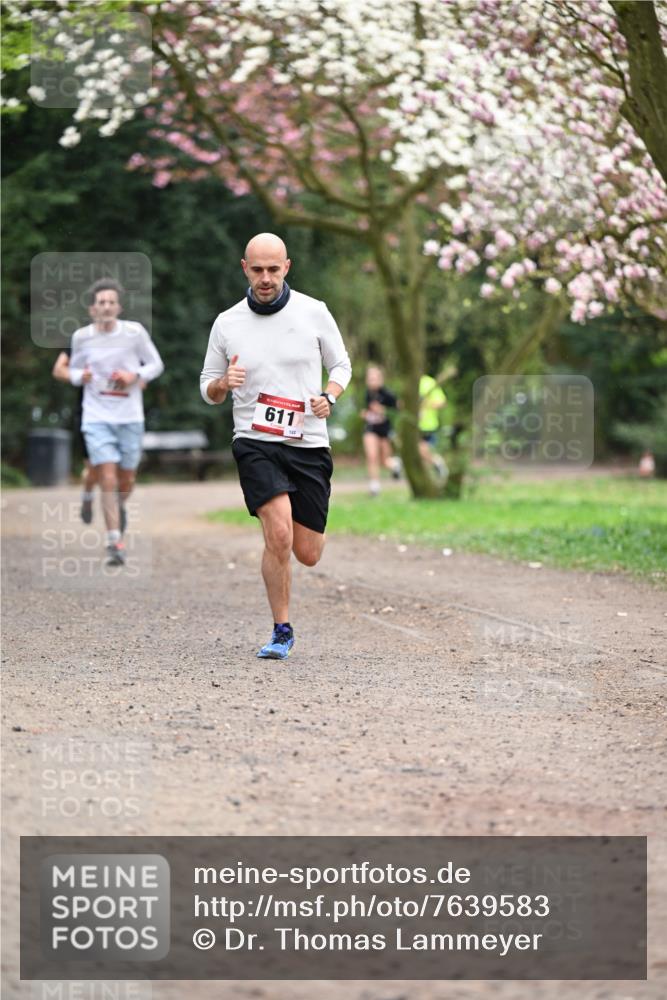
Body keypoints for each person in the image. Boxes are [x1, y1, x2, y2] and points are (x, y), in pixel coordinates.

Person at [200, 232, 352, 660]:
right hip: (254, 440)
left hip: (307, 442)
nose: (265, 278)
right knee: (279, 534)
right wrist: (220, 384)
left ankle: (296, 568)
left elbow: (340, 363)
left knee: (308, 553)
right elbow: (206, 385)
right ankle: (281, 629)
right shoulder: (227, 322)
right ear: (244, 269)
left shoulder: (313, 312)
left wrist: (331, 395)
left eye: (273, 269)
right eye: (257, 270)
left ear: (287, 267)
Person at [68, 279, 164, 565]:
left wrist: (134, 376)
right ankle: (115, 542)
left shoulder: (134, 333)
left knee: (126, 479)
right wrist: (80, 377)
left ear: (118, 307)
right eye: (101, 302)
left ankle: (118, 507)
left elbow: (156, 365)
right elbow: (73, 370)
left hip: (130, 416)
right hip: (96, 417)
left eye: (111, 302)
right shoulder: (81, 337)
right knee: (106, 477)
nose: (107, 306)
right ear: (92, 309)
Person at [52, 349, 98, 524]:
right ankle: (88, 495)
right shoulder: (82, 339)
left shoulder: (128, 338)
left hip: (122, 415)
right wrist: (80, 376)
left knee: (118, 471)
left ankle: (117, 512)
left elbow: (142, 372)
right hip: (90, 414)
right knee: (94, 467)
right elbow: (59, 369)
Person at [361, 364, 400, 496]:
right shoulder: (367, 393)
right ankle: (374, 486)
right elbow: (365, 410)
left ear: (380, 379)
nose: (371, 380)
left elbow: (398, 412)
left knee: (384, 461)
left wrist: (384, 411)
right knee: (372, 456)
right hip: (370, 428)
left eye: (374, 378)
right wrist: (365, 414)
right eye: (369, 378)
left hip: (385, 430)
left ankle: (395, 465)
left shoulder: (388, 394)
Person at [418, 373, 448, 480]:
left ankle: (437, 463)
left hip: (427, 425)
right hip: (412, 425)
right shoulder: (407, 382)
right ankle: (435, 467)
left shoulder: (429, 382)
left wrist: (426, 404)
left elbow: (442, 402)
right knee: (419, 454)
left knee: (421, 450)